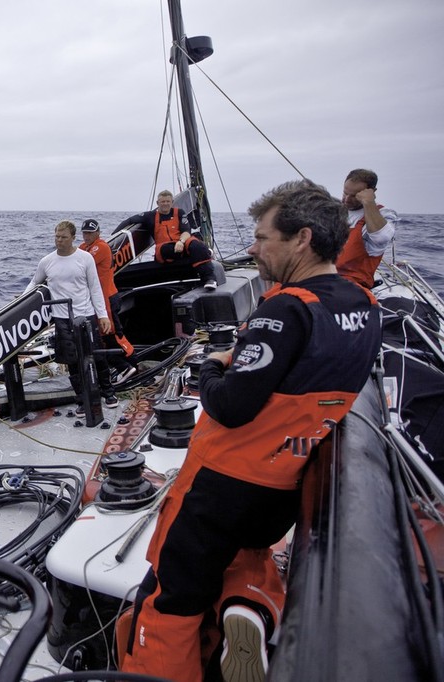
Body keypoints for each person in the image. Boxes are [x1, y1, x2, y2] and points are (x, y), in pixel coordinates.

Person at [121, 180, 382, 682]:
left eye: (263, 237)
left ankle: (159, 672)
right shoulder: (363, 305)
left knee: (167, 597)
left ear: (301, 238)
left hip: (219, 484)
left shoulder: (287, 308)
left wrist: (212, 368)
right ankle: (254, 611)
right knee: (242, 555)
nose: (252, 247)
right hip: (279, 492)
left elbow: (232, 406)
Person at [24, 220, 117, 410]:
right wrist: (22, 301)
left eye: (64, 237)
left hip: (85, 315)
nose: (59, 241)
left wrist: (102, 315)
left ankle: (108, 393)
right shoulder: (47, 261)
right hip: (62, 318)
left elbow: (95, 288)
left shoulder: (85, 258)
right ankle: (82, 400)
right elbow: (34, 282)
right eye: (57, 237)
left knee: (97, 357)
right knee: (72, 362)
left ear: (73, 238)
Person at [115, 190, 218, 289]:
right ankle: (203, 254)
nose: (165, 204)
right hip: (164, 247)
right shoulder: (150, 216)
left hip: (181, 241)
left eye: (168, 201)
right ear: (157, 203)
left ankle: (209, 279)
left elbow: (186, 231)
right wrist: (114, 235)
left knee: (197, 245)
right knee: (170, 250)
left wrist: (181, 242)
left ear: (172, 202)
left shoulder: (179, 213)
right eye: (162, 202)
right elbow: (129, 221)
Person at [79, 219, 137, 384]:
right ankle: (123, 365)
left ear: (98, 233)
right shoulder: (84, 248)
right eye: (84, 233)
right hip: (96, 300)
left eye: (90, 233)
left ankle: (131, 364)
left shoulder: (101, 247)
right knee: (103, 337)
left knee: (114, 334)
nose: (87, 236)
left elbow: (80, 263)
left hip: (107, 298)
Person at [336, 168, 399, 290]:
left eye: (355, 196)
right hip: (321, 277)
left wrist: (368, 202)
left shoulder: (383, 214)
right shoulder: (335, 209)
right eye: (345, 193)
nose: (347, 199)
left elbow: (381, 237)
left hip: (350, 286)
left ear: (371, 192)